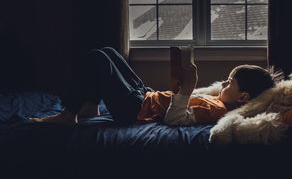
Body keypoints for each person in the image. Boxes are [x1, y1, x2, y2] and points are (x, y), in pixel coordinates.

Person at [31, 47, 275, 125]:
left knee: (98, 59)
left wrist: (188, 89)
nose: (222, 83)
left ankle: (68, 114)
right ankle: (91, 107)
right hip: (146, 95)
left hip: (134, 109)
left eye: (229, 82)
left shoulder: (218, 111)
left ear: (243, 97)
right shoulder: (218, 101)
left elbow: (175, 119)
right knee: (110, 53)